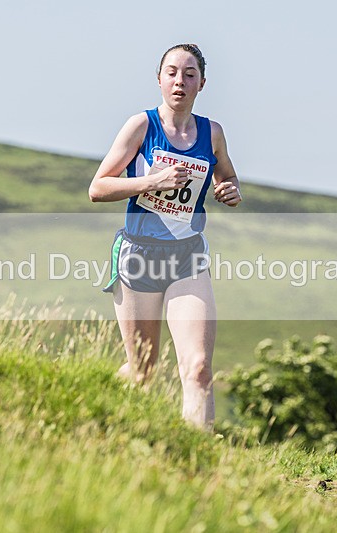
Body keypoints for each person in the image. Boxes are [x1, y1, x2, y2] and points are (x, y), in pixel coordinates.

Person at [89, 43, 241, 430]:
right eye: (172, 72)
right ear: (159, 79)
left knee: (199, 368)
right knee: (142, 372)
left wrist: (229, 190)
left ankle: (198, 466)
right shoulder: (141, 126)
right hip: (138, 256)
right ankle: (91, 404)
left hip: (187, 258)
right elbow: (98, 187)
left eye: (189, 74)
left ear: (202, 84)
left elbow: (227, 176)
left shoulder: (213, 133)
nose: (180, 81)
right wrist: (152, 181)